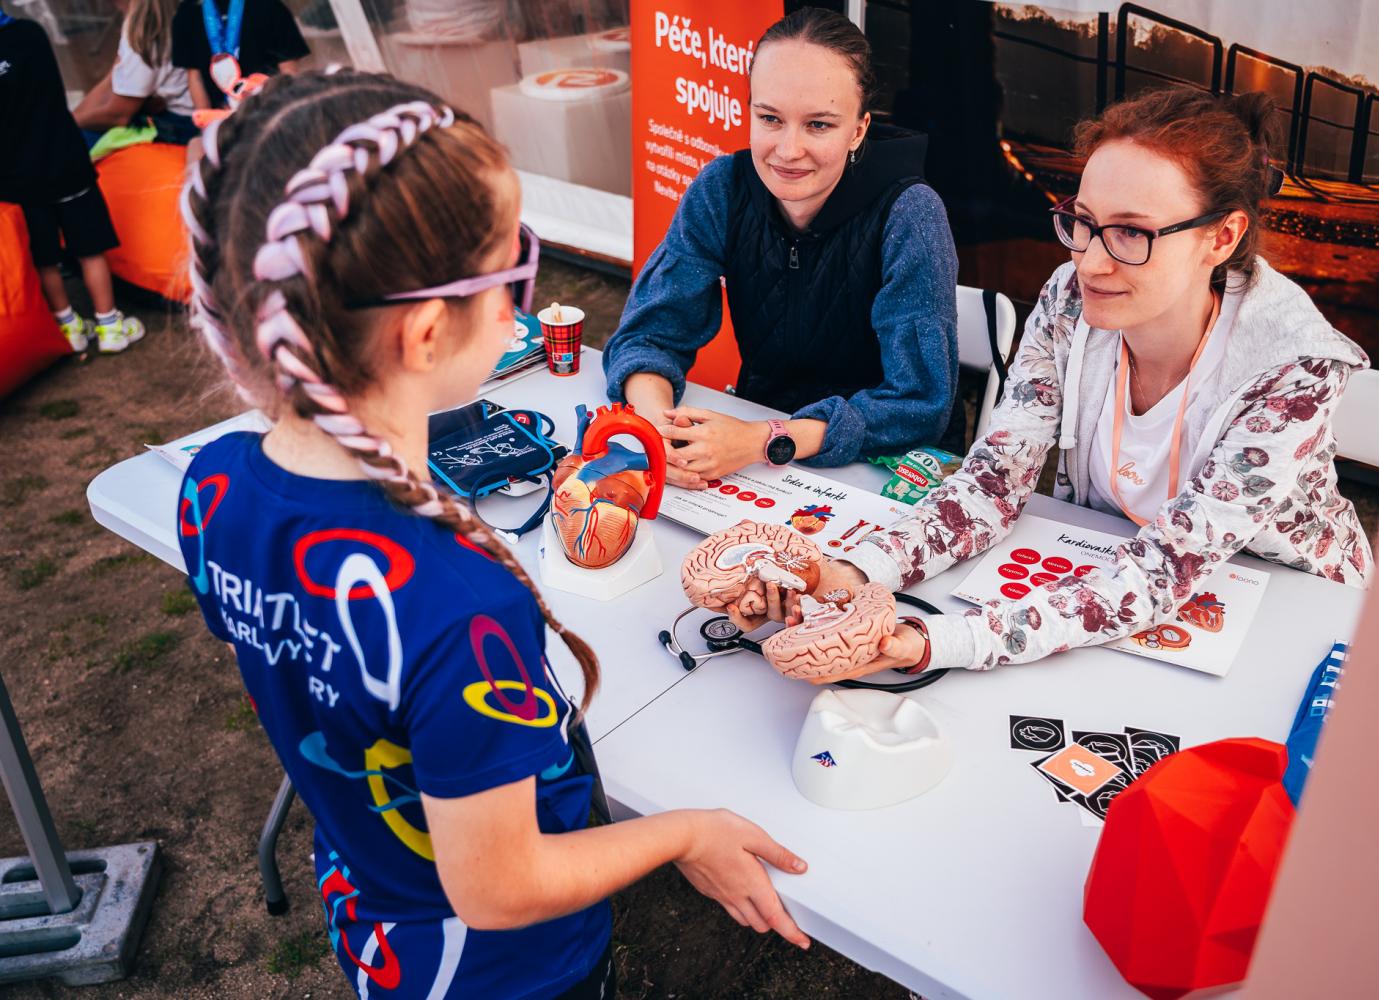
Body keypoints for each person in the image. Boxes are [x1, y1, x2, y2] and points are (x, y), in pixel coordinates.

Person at [174, 70, 810, 998]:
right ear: (428, 331)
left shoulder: (213, 484)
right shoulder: (459, 603)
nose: (522, 304)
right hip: (503, 974)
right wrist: (685, 831)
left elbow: (298, 672)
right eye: (513, 270)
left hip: (372, 918)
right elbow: (501, 888)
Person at [730, 87, 1375, 678]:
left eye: (1131, 232)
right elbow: (994, 484)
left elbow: (1164, 572)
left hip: (1293, 620)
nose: (1089, 262)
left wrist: (934, 642)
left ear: (1223, 236)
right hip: (1116, 572)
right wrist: (849, 571)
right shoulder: (1070, 301)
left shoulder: (1294, 370)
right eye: (1083, 222)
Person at [602, 7, 959, 487]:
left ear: (858, 130)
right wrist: (659, 434)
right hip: (753, 452)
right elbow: (648, 336)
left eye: (819, 125)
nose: (788, 151)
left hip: (883, 469)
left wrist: (764, 439)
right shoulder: (722, 188)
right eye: (770, 118)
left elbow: (920, 405)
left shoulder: (911, 213)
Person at [0, 7, 145, 353]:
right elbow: (52, 94)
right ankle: (109, 325)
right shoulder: (30, 34)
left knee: (44, 257)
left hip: (17, 178)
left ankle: (69, 327)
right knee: (90, 248)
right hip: (64, 162)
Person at [72, 0, 198, 146]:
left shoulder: (146, 29)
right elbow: (112, 79)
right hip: (179, 116)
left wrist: (66, 123)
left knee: (76, 143)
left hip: (180, 125)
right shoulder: (150, 17)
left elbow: (118, 116)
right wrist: (72, 118)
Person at [172, 0, 308, 111]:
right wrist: (207, 123)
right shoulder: (188, 12)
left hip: (268, 113)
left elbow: (289, 73)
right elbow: (195, 76)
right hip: (222, 120)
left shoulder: (270, 5)